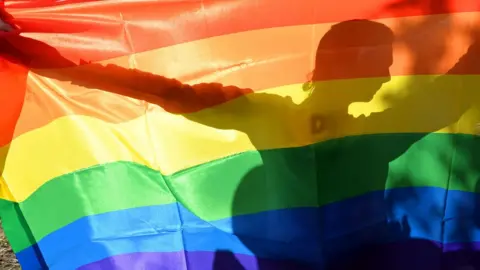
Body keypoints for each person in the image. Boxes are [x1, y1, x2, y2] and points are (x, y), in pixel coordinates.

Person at [2, 14, 480, 269]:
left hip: (366, 258)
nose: (386, 73)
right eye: (376, 61)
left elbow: (450, 96)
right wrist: (53, 62)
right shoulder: (269, 112)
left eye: (386, 61)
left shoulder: (378, 131)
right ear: (334, 63)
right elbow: (169, 93)